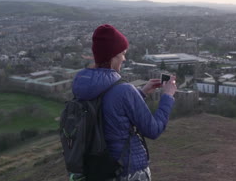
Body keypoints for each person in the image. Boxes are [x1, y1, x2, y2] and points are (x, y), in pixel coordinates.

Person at [72, 24, 176, 181]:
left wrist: (141, 92)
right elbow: (153, 130)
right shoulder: (124, 90)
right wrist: (168, 96)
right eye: (122, 53)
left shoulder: (83, 84)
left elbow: (109, 110)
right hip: (126, 170)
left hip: (97, 170)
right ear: (112, 56)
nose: (124, 58)